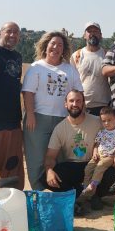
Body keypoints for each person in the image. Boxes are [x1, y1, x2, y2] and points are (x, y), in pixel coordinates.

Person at [22, 31, 83, 190]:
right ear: (46, 45)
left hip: (63, 120)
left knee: (62, 158)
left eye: (60, 45)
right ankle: (38, 192)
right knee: (36, 158)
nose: (56, 47)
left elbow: (79, 93)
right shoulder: (36, 67)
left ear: (64, 49)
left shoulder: (69, 69)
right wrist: (30, 114)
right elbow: (28, 92)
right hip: (38, 118)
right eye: (53, 44)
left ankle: (60, 193)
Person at [0, 22, 24, 190]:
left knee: (13, 172)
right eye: (9, 31)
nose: (12, 35)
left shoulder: (18, 56)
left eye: (16, 32)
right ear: (0, 33)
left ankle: (11, 211)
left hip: (12, 122)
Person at [78, 106, 115, 201]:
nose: (106, 123)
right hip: (99, 155)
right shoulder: (101, 132)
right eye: (104, 121)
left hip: (110, 156)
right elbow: (96, 144)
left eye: (109, 120)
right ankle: (85, 188)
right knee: (88, 168)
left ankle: (93, 185)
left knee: (100, 166)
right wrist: (95, 153)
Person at [70, 22, 111, 116]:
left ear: (101, 35)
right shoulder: (76, 56)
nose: (93, 33)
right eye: (89, 31)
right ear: (84, 35)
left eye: (96, 31)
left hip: (103, 107)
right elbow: (71, 82)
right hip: (82, 106)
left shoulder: (107, 55)